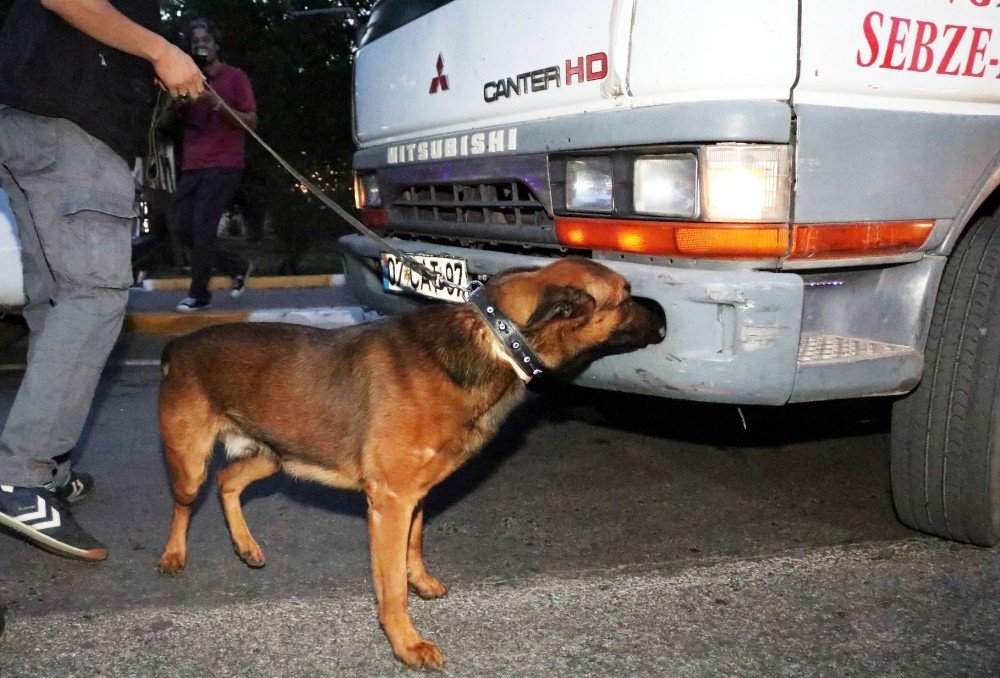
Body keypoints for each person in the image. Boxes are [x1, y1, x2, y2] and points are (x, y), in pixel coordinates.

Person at [0, 0, 203, 561]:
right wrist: (161, 50)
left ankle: (52, 471)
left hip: (23, 118)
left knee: (57, 302)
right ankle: (21, 475)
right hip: (73, 127)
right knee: (94, 296)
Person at [172, 19, 257, 311]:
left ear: (216, 44)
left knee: (203, 225)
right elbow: (170, 122)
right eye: (195, 43)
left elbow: (250, 121)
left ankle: (199, 293)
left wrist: (215, 101)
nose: (200, 45)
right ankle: (236, 266)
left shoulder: (234, 77)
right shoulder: (185, 81)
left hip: (224, 163)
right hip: (192, 165)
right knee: (182, 227)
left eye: (205, 40)